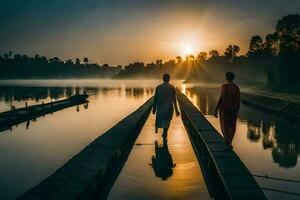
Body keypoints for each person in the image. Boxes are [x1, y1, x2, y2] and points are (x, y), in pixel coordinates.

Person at [214, 72, 240, 150]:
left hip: (225, 110)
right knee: (232, 126)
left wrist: (216, 109)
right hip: (233, 110)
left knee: (225, 127)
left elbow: (221, 99)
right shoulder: (236, 87)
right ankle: (229, 143)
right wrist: (236, 109)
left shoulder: (224, 86)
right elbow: (238, 100)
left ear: (227, 78)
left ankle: (228, 144)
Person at [153, 74, 180, 138]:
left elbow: (155, 99)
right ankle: (165, 132)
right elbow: (174, 100)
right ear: (169, 79)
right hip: (169, 108)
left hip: (160, 108)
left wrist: (154, 108)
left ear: (163, 79)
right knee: (167, 121)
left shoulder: (158, 87)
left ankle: (163, 131)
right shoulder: (172, 88)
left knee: (161, 119)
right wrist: (177, 110)